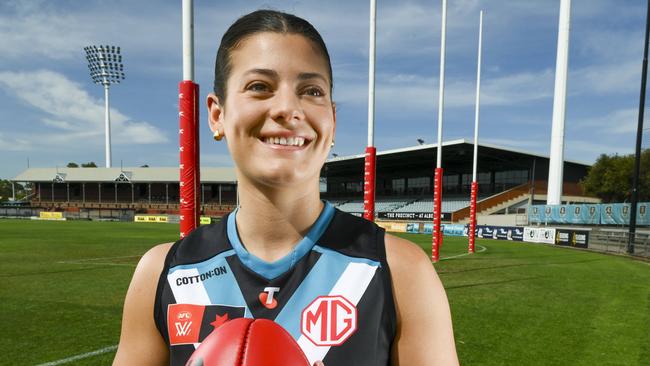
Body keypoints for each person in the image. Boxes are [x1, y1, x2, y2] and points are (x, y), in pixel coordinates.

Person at [113, 9, 458, 366]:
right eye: (259, 87)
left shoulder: (401, 271)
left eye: (312, 91)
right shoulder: (164, 271)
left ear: (333, 119)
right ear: (217, 114)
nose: (288, 108)